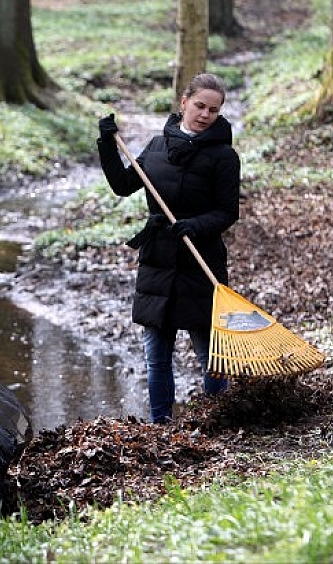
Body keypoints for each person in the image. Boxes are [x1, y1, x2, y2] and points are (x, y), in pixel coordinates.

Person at [96, 72, 241, 424]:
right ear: (184, 103)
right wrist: (106, 144)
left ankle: (216, 419)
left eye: (214, 109)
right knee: (156, 355)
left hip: (199, 259)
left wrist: (194, 225)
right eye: (200, 106)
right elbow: (123, 185)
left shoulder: (224, 157)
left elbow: (227, 212)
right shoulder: (156, 146)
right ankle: (161, 424)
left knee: (211, 356)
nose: (205, 114)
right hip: (158, 260)